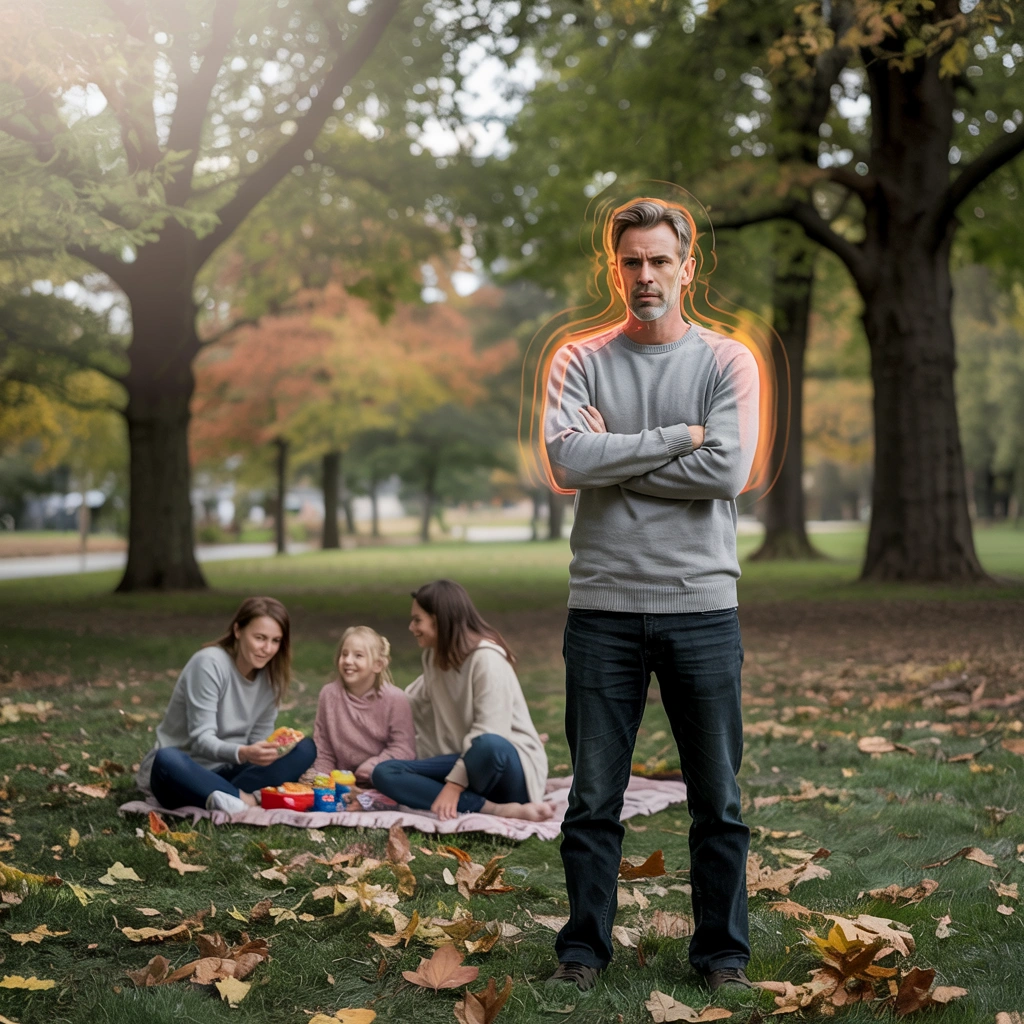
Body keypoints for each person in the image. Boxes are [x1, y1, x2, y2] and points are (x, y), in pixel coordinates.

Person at [543, 198, 760, 992]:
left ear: (687, 267)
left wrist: (615, 453)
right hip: (601, 608)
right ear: (615, 268)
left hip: (701, 606)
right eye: (630, 261)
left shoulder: (728, 362)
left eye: (659, 260)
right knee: (594, 798)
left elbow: (728, 472)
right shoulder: (579, 359)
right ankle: (582, 953)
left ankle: (722, 956)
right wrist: (678, 437)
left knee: (719, 800)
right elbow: (568, 462)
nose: (645, 275)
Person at [371, 579, 554, 821]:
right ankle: (493, 809)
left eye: (417, 620)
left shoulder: (487, 660)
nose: (411, 627)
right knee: (385, 772)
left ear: (439, 619)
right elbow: (408, 703)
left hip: (506, 771)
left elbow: (491, 734)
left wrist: (453, 785)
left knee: (488, 744)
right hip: (466, 762)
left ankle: (463, 795)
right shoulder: (434, 657)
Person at [135, 596, 316, 813]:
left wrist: (265, 752)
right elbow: (201, 741)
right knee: (167, 758)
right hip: (186, 771)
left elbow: (258, 741)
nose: (267, 649)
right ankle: (245, 800)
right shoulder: (209, 664)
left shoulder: (272, 680)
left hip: (232, 771)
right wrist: (245, 753)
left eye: (275, 641)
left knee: (306, 748)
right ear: (238, 631)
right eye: (260, 637)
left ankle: (227, 797)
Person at [302, 625, 416, 790]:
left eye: (358, 656)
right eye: (344, 654)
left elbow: (404, 748)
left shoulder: (395, 699)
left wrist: (372, 767)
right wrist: (324, 778)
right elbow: (324, 746)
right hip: (340, 778)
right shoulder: (329, 695)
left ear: (377, 665)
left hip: (380, 776)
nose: (348, 661)